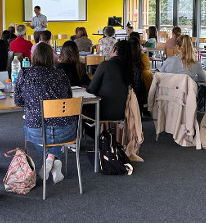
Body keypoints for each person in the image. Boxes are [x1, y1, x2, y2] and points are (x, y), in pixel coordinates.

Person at [14, 43, 73, 184]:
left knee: (27, 128)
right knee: (54, 133)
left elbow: (18, 101)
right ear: (51, 58)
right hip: (65, 131)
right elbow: (69, 98)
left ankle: (49, 159)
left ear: (33, 57)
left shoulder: (25, 73)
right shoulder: (61, 74)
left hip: (37, 130)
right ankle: (53, 160)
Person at [84, 40, 133, 121]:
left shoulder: (105, 65)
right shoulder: (131, 68)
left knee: (79, 106)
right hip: (125, 112)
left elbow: (91, 90)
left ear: (114, 49)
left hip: (103, 111)